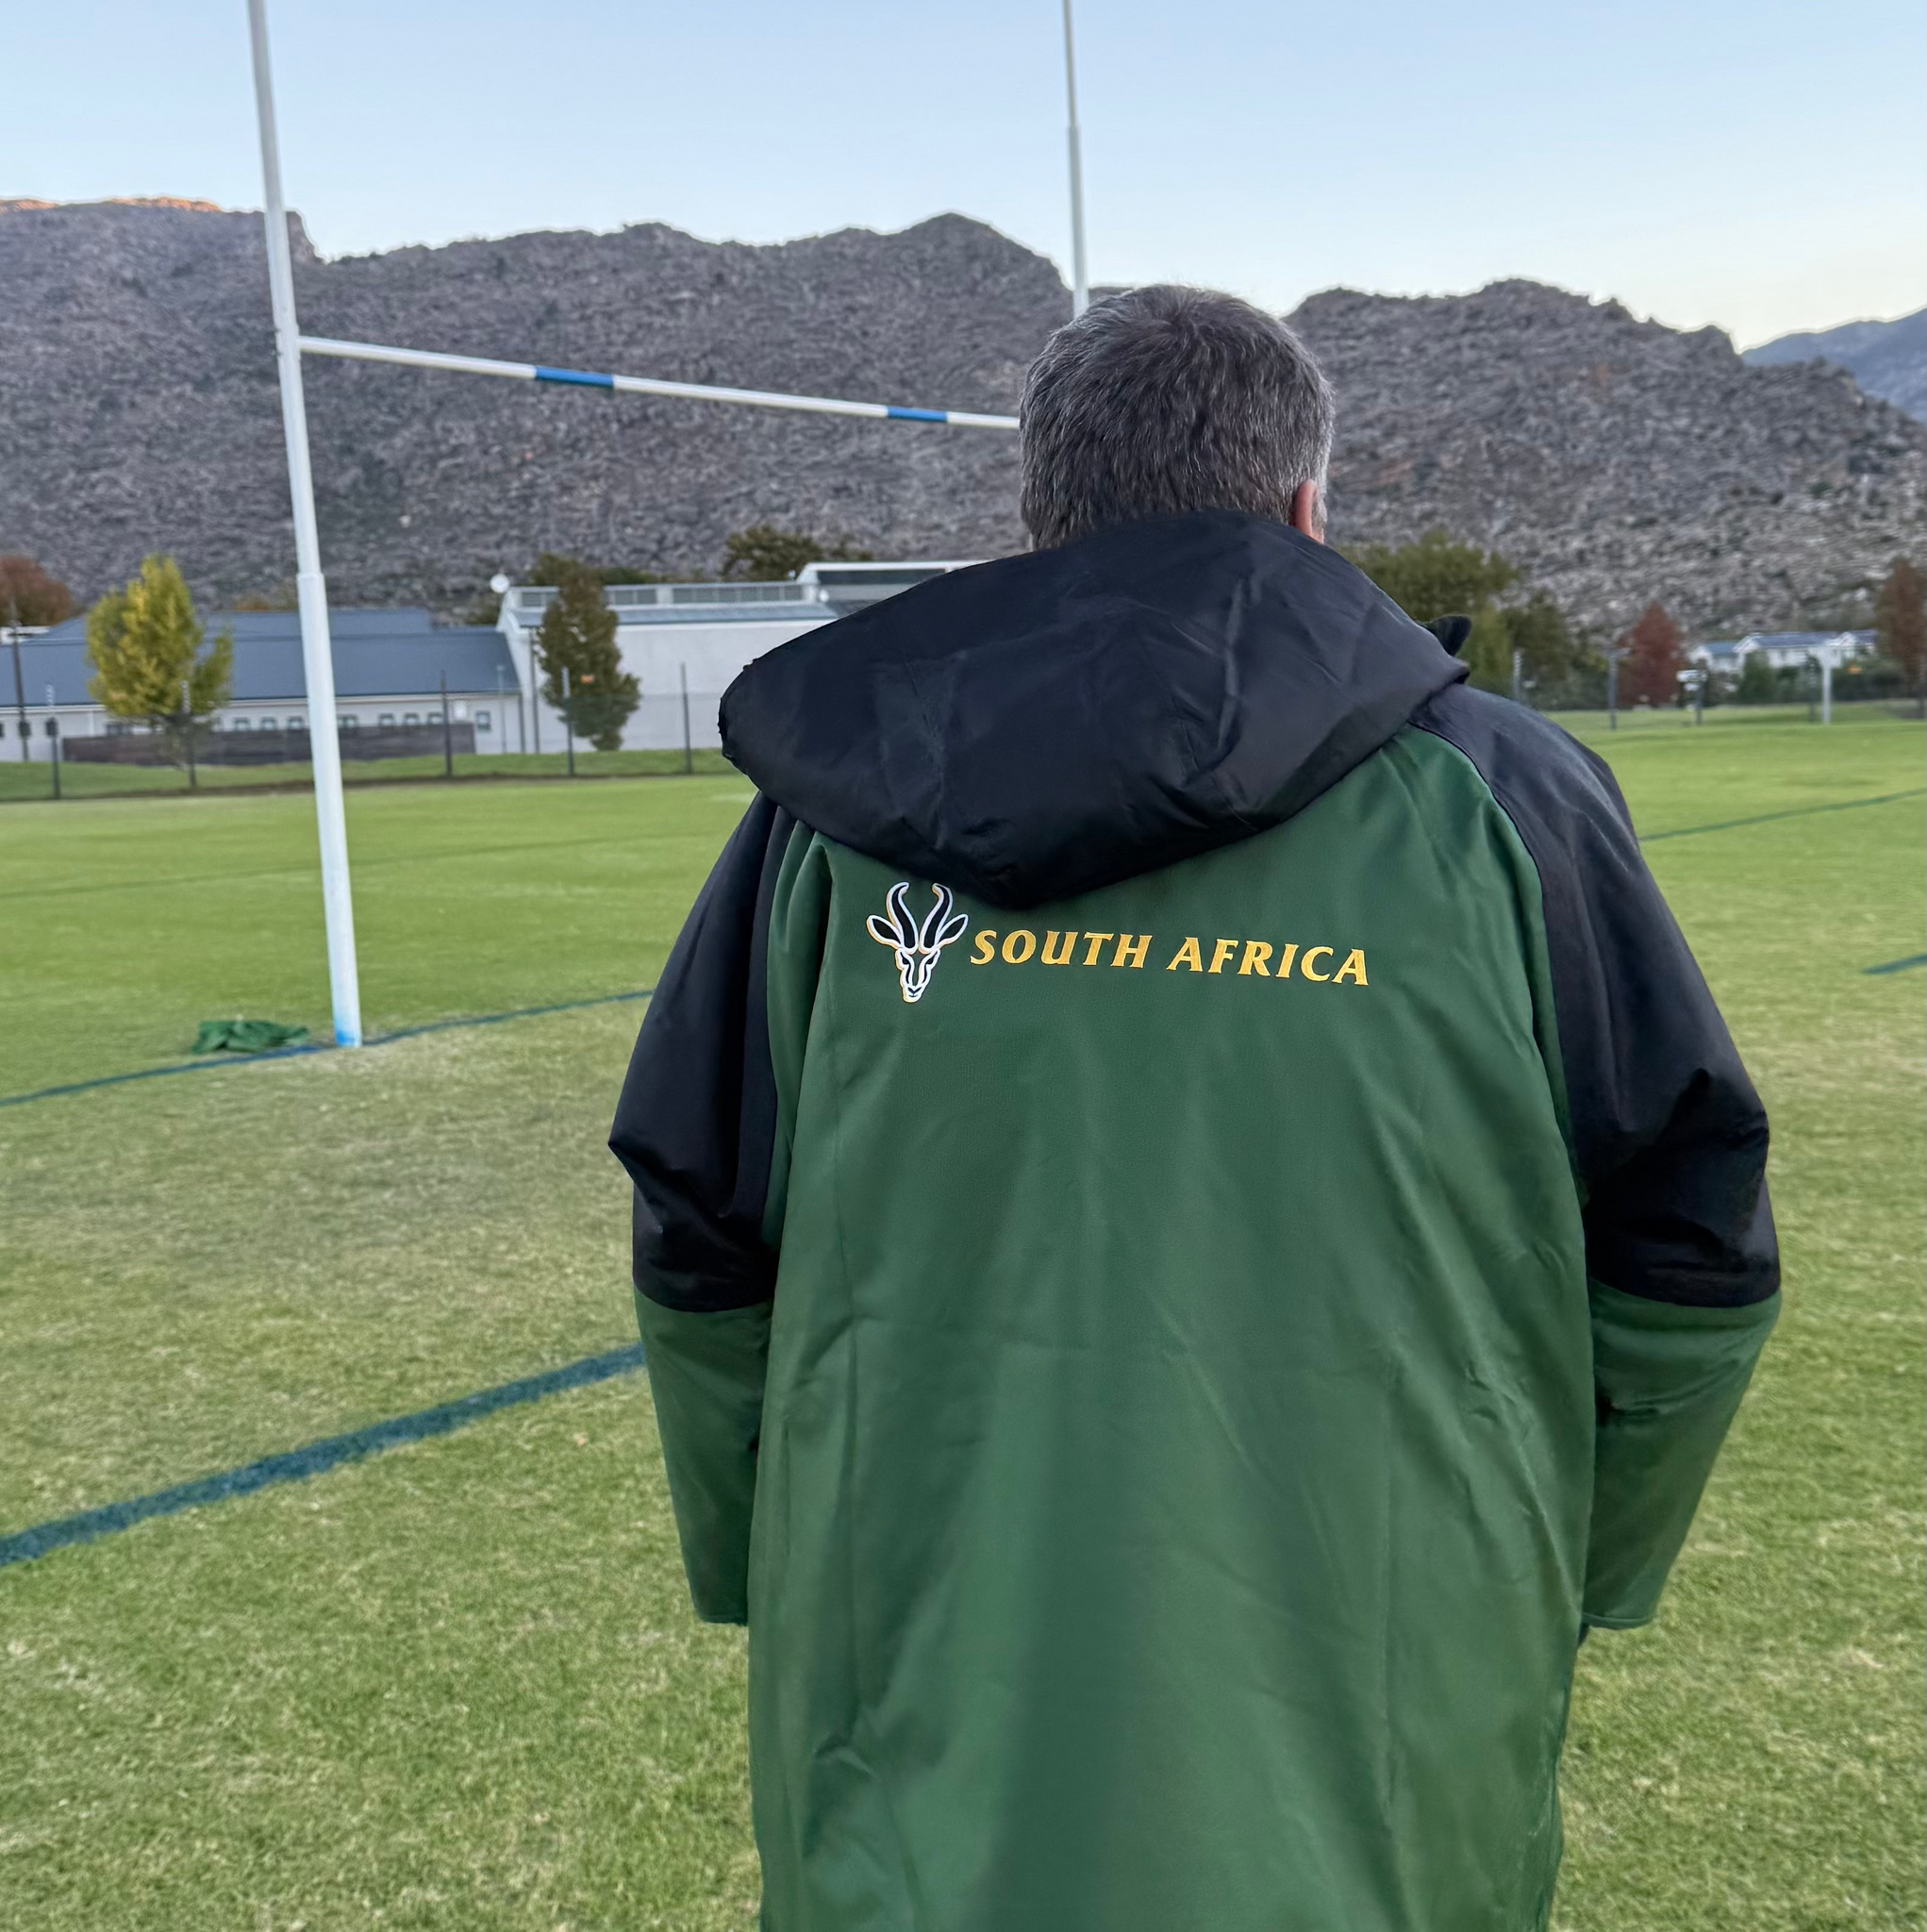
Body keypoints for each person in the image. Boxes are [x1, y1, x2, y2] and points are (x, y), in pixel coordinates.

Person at [609, 285, 1779, 1932]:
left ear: (1039, 514)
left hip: (922, 1762)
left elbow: (699, 1246)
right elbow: (1689, 1258)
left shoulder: (823, 828)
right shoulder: (1512, 804)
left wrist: (779, 1560)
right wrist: (1548, 1563)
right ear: (1306, 509)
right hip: (1389, 1745)